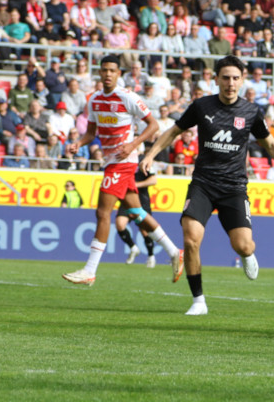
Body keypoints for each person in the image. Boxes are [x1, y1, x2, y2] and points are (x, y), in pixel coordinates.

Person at [141, 56, 274, 315]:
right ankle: (198, 301)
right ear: (216, 80)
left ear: (242, 81)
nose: (230, 83)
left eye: (235, 78)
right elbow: (173, 131)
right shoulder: (201, 106)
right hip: (203, 184)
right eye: (226, 78)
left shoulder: (251, 111)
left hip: (234, 187)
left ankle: (247, 254)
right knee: (191, 238)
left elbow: (271, 145)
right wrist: (151, 155)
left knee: (243, 245)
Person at [62, 55, 184, 287]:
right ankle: (174, 252)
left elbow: (154, 125)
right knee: (137, 212)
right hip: (110, 161)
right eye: (104, 70)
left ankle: (90, 270)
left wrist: (132, 145)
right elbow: (91, 133)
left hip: (124, 161)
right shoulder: (94, 100)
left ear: (119, 74)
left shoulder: (127, 97)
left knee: (102, 213)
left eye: (112, 70)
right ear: (100, 72)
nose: (108, 74)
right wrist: (79, 143)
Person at [116, 160, 161, 269]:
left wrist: (135, 185)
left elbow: (153, 180)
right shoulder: (122, 161)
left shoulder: (143, 162)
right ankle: (133, 248)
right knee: (120, 224)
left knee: (144, 230)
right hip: (126, 198)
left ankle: (151, 256)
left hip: (141, 200)